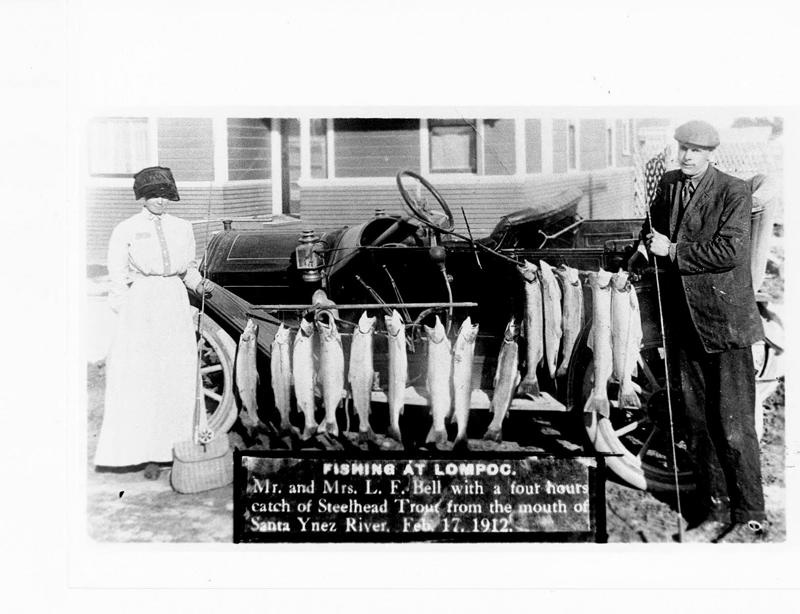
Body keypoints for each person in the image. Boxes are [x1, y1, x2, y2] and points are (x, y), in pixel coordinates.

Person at [628, 120, 766, 543]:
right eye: (682, 148)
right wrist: (641, 248)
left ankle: (749, 513)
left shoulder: (732, 191)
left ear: (711, 155)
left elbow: (730, 250)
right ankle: (714, 508)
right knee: (696, 423)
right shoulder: (669, 185)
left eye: (696, 151)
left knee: (734, 424)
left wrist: (674, 251)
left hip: (725, 326)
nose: (687, 156)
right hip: (684, 326)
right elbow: (651, 229)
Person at [95, 166, 213, 480]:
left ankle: (174, 450)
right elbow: (118, 278)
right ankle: (145, 453)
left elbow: (188, 270)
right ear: (142, 196)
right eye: (154, 195)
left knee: (177, 374)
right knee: (144, 377)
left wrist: (199, 284)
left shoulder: (183, 227)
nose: (160, 201)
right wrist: (126, 314)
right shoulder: (126, 229)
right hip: (142, 305)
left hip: (173, 302)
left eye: (165, 195)